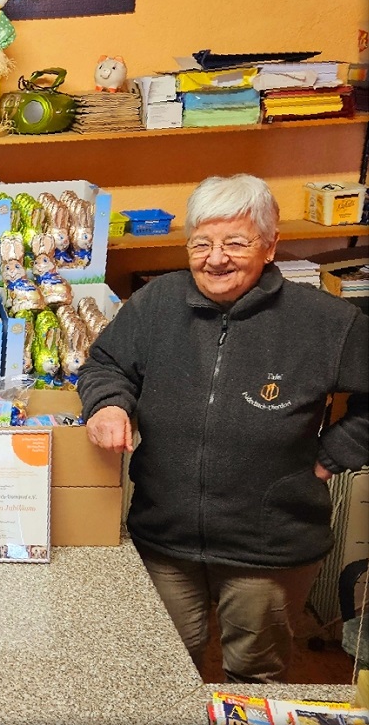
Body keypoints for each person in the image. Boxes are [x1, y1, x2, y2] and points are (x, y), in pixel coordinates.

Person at [77, 174, 369, 684]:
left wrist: (336, 451)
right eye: (202, 243)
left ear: (271, 244)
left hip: (270, 547)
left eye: (236, 242)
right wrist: (107, 405)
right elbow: (105, 364)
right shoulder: (156, 304)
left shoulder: (325, 320)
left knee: (255, 678)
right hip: (164, 536)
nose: (216, 258)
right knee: (163, 675)